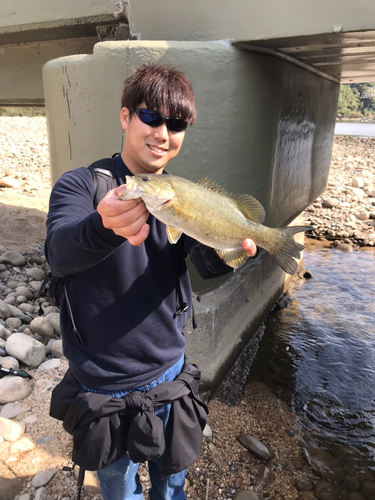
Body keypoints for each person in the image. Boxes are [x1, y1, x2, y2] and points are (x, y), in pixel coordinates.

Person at [45, 63, 257, 500]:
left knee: (171, 485)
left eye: (176, 124)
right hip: (101, 382)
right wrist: (103, 226)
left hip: (169, 372)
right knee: (119, 490)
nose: (163, 133)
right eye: (150, 117)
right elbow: (59, 253)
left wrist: (228, 253)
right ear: (125, 117)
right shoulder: (81, 185)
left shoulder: (178, 194)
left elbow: (203, 266)